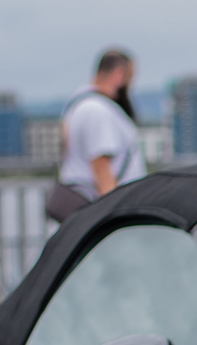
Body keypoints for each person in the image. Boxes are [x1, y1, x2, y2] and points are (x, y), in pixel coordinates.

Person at [48, 48, 145, 221]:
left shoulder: (79, 104)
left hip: (83, 208)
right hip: (95, 209)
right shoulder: (97, 110)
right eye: (131, 78)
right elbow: (101, 167)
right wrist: (114, 219)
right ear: (119, 74)